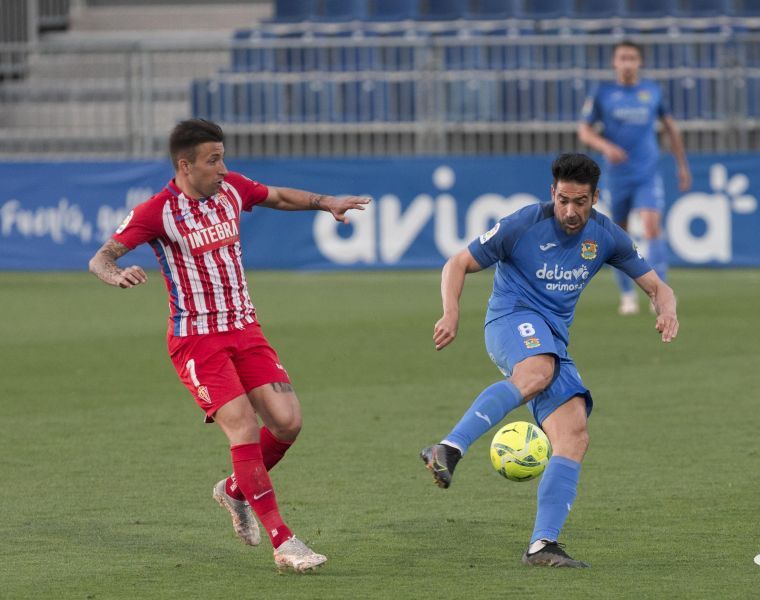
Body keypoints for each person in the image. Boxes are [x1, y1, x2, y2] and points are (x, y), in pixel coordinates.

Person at [88, 118, 369, 573]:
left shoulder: (231, 189)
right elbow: (101, 257)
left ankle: (236, 491)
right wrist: (115, 274)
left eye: (222, 157)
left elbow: (275, 196)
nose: (223, 167)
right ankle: (285, 541)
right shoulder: (156, 212)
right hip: (196, 340)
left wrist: (326, 203)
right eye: (213, 160)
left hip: (245, 330)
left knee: (287, 423)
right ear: (185, 165)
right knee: (240, 426)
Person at [420, 153, 678, 568]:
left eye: (580, 202)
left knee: (574, 433)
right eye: (562, 200)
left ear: (595, 198)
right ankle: (448, 448)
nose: (570, 211)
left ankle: (543, 545)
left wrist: (667, 309)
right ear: (552, 193)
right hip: (510, 320)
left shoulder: (606, 236)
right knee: (537, 370)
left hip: (552, 339)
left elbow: (657, 286)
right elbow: (458, 263)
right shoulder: (523, 224)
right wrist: (451, 312)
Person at [578, 40, 691, 316]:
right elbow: (584, 130)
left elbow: (671, 128)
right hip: (617, 176)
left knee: (652, 227)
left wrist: (682, 165)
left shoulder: (651, 91)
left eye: (632, 58)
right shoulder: (603, 93)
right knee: (620, 234)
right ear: (614, 63)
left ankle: (659, 294)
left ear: (639, 62)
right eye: (622, 58)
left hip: (647, 173)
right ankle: (627, 295)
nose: (627, 63)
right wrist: (605, 147)